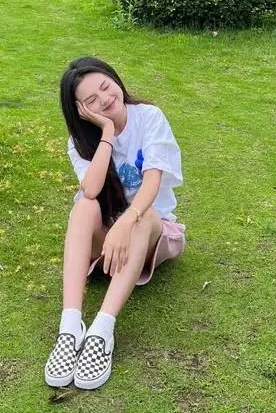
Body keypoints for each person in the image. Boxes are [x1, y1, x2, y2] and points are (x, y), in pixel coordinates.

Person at [44, 56, 186, 390]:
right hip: (108, 237)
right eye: (92, 100)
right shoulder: (79, 142)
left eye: (106, 87)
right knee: (83, 206)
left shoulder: (148, 117)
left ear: (115, 79)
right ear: (81, 111)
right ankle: (70, 326)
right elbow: (92, 189)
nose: (106, 99)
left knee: (143, 215)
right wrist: (107, 133)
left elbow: (152, 181)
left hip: (150, 231)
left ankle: (102, 330)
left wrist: (125, 223)